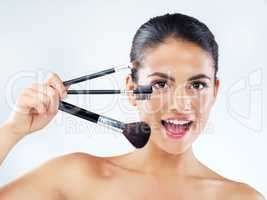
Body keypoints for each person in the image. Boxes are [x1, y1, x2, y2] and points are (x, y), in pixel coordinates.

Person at [0, 13, 265, 200]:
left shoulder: (241, 197)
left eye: (197, 86)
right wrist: (13, 131)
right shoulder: (77, 177)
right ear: (131, 89)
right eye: (161, 84)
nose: (180, 103)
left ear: (215, 92)